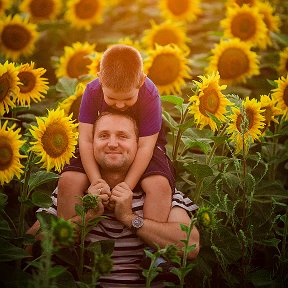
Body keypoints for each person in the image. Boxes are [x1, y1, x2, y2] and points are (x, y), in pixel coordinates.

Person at [27, 111, 200, 287]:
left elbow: (190, 246)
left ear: (138, 145)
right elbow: (30, 244)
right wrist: (86, 217)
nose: (112, 143)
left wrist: (129, 218)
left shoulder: (161, 192)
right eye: (103, 136)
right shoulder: (74, 191)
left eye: (122, 136)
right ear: (91, 144)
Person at [57, 44, 175, 225]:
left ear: (141, 81)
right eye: (111, 98)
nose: (120, 105)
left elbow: (146, 146)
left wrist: (126, 186)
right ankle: (67, 240)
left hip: (145, 142)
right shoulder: (92, 90)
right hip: (106, 138)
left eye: (128, 99)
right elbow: (86, 139)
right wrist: (96, 181)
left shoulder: (150, 94)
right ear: (100, 80)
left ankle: (153, 245)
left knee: (159, 185)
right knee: (68, 180)